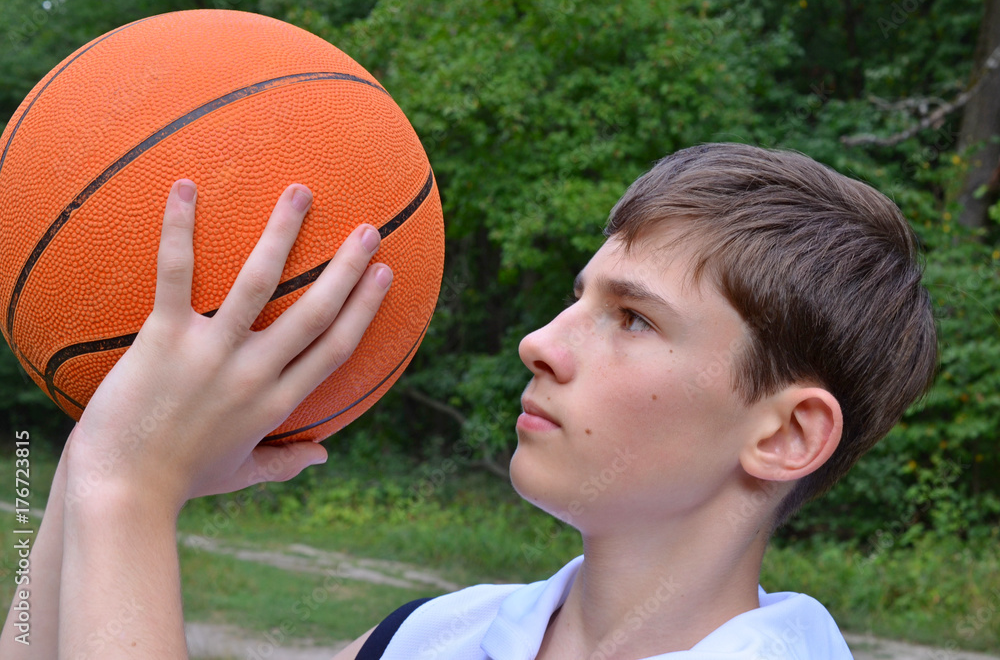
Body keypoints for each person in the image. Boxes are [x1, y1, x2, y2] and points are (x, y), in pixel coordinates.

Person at [0, 143, 937, 659]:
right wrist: (97, 448)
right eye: (580, 297)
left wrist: (131, 488)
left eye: (634, 320)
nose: (541, 341)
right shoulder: (432, 637)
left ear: (787, 433)